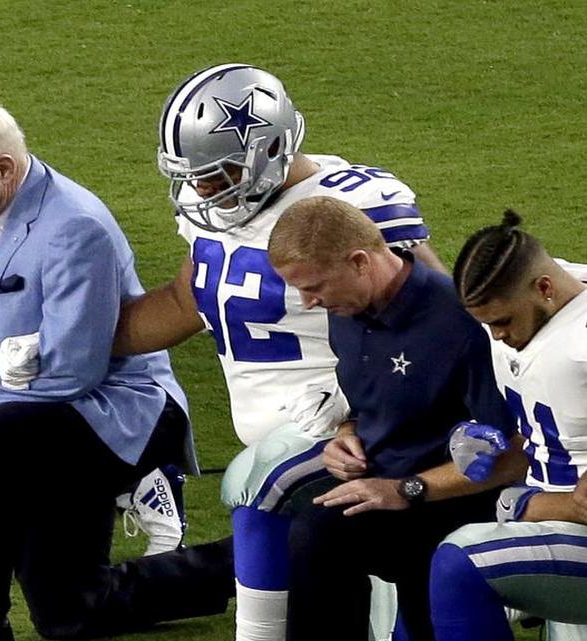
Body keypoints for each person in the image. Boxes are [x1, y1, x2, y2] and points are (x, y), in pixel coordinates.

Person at [112, 63, 446, 641]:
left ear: (271, 147)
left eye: (220, 173)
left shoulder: (354, 203)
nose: (204, 190)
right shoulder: (214, 213)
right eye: (195, 176)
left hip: (354, 428)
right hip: (291, 432)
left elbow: (436, 317)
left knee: (256, 483)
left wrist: (361, 406)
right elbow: (186, 300)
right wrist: (73, 347)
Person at [0, 95, 234, 641]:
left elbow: (72, 371)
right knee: (72, 613)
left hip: (110, 411)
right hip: (26, 413)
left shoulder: (74, 227)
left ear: (5, 169)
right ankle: (259, 558)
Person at [264, 196, 527, 641]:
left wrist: (408, 490)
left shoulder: (460, 323)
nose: (309, 302)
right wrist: (346, 436)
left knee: (322, 534)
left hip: (454, 499)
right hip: (382, 485)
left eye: (315, 287)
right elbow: (368, 401)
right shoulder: (345, 309)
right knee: (315, 528)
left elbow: (516, 452)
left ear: (360, 261)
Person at [428, 211, 587, 641]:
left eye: (501, 322)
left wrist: (519, 504)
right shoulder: (547, 293)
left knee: (460, 564)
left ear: (545, 289)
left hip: (567, 527)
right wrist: (492, 443)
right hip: (543, 513)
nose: (496, 336)